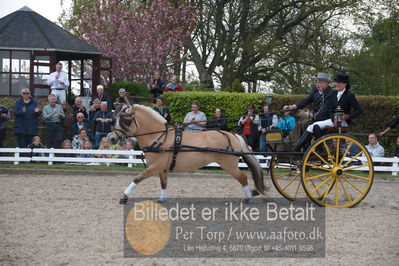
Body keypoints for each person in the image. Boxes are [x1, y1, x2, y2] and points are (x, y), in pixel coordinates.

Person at [284, 72, 335, 151]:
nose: (318, 85)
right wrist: (294, 106)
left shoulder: (330, 94)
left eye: (320, 83)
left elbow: (324, 110)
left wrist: (311, 115)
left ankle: (303, 148)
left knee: (305, 123)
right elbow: (306, 100)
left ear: (327, 84)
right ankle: (290, 143)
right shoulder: (315, 91)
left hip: (324, 118)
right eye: (317, 82)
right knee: (300, 122)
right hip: (315, 117)